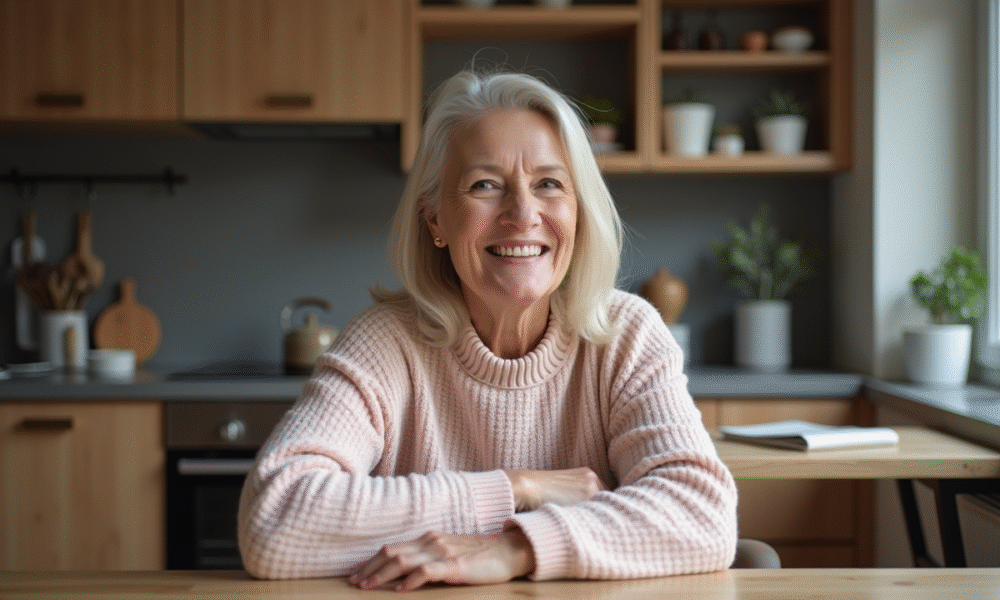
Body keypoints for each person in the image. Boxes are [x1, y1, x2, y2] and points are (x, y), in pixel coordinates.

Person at [237, 69, 738, 591]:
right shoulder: (383, 343)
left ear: (579, 211)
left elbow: (703, 514)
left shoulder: (626, 334)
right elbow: (272, 521)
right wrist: (515, 489)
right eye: (485, 185)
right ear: (434, 219)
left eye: (549, 183)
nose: (522, 214)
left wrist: (514, 547)